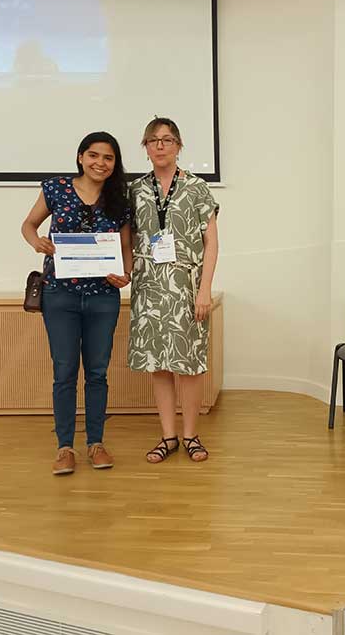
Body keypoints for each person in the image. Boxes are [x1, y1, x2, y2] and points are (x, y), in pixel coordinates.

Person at [21, 132, 133, 475]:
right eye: (94, 155)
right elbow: (28, 225)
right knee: (64, 371)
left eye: (108, 158)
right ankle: (65, 447)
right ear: (81, 157)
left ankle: (96, 443)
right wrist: (37, 242)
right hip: (60, 294)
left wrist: (126, 274)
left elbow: (125, 246)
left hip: (103, 297)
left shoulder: (120, 198)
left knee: (97, 372)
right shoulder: (56, 188)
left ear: (115, 164)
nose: (101, 163)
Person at [128, 117, 219, 463]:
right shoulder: (136, 190)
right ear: (145, 148)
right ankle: (168, 437)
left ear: (179, 145)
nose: (160, 145)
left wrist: (204, 290)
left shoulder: (196, 188)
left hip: (186, 288)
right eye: (153, 140)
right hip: (149, 288)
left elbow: (211, 243)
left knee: (189, 364)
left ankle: (191, 435)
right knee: (159, 365)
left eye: (167, 139)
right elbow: (128, 238)